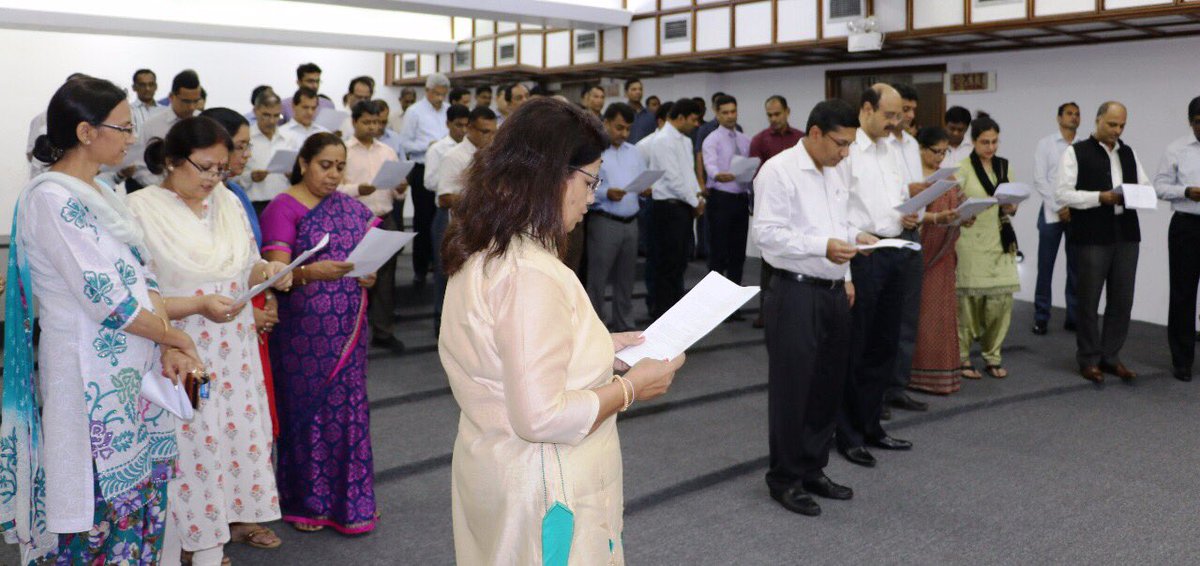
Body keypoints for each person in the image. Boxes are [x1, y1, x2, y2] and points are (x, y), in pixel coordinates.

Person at [438, 96, 684, 564]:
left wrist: (604, 346)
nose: (591, 198)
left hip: (496, 462)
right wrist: (630, 387)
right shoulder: (530, 272)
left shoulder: (485, 244)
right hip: (547, 485)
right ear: (550, 178)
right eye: (589, 182)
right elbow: (542, 417)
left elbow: (509, 349)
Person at [4, 75, 202, 565]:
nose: (132, 137)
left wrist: (169, 343)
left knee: (139, 513)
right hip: (87, 375)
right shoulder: (51, 199)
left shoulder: (106, 192)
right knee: (97, 516)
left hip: (134, 372)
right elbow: (107, 300)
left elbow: (144, 274)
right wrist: (174, 333)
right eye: (122, 126)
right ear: (86, 132)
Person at [129, 116, 290, 565]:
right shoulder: (140, 209)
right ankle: (180, 550)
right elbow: (139, 297)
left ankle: (210, 550)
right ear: (172, 161)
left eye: (222, 169)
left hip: (235, 350)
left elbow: (248, 264)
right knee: (188, 456)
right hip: (180, 349)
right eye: (205, 168)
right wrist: (198, 306)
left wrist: (270, 274)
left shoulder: (228, 201)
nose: (214, 179)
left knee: (228, 451)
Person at [754, 99, 870, 516]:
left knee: (826, 385)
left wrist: (857, 247)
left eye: (850, 145)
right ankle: (784, 478)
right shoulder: (779, 171)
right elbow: (767, 237)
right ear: (815, 133)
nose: (845, 153)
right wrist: (823, 247)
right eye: (840, 143)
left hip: (834, 289)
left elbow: (836, 226)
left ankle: (813, 467)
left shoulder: (836, 171)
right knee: (793, 390)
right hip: (795, 292)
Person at [260, 133, 381, 534]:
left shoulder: (349, 207)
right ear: (303, 163)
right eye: (324, 165)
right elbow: (275, 276)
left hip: (348, 328)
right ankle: (306, 502)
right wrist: (313, 272)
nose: (333, 175)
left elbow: (365, 256)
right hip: (301, 333)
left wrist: (369, 273)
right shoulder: (283, 207)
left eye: (340, 167)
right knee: (305, 413)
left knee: (347, 412)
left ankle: (349, 503)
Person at [836, 84, 921, 468]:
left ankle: (872, 426)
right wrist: (856, 233)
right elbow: (835, 205)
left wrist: (907, 215)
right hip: (863, 254)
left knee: (886, 344)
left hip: (896, 247)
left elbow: (895, 198)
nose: (896, 122)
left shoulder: (892, 149)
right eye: (889, 115)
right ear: (866, 109)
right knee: (858, 348)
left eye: (899, 115)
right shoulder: (847, 150)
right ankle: (849, 434)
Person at [203, 107, 284, 443]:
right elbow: (208, 276)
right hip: (218, 321)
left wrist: (271, 287)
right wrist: (250, 309)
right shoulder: (201, 201)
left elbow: (252, 257)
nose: (247, 155)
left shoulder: (235, 196)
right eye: (241, 146)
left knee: (247, 420)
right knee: (214, 421)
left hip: (250, 311)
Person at [1055, 101, 1149, 384]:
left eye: (1121, 125)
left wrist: (1140, 194)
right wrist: (1099, 197)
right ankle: (1088, 358)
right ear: (1097, 121)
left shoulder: (1128, 153)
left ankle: (1110, 356)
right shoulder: (1076, 152)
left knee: (1122, 299)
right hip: (1092, 234)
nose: (1117, 130)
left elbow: (1144, 186)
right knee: (1089, 299)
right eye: (1112, 124)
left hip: (1127, 233)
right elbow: (1062, 194)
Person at [955, 113, 1020, 380]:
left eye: (994, 142)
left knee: (1001, 302)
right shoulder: (962, 168)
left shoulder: (1005, 166)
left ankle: (993, 355)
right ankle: (962, 358)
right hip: (971, 240)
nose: (990, 148)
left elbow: (1013, 204)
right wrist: (963, 212)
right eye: (984, 142)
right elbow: (954, 206)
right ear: (973, 142)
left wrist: (1011, 206)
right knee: (969, 303)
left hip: (1000, 239)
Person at [339, 100, 407, 353]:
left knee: (386, 279)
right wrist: (358, 189)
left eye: (377, 122)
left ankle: (383, 331)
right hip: (353, 221)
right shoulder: (343, 150)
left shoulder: (387, 151)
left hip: (384, 217)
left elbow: (396, 191)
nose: (373, 127)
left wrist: (400, 189)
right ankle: (350, 333)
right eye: (367, 122)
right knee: (352, 278)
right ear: (354, 121)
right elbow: (332, 189)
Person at [908, 127, 968, 393]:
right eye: (936, 151)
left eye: (946, 152)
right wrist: (935, 218)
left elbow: (961, 206)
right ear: (921, 148)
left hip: (943, 256)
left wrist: (967, 214)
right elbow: (907, 215)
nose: (941, 157)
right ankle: (915, 375)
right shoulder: (912, 178)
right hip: (920, 255)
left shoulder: (948, 178)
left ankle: (944, 374)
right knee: (921, 316)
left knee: (943, 315)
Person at [884, 83, 929, 415]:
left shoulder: (912, 143)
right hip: (886, 236)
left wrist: (920, 211)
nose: (909, 116)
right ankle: (875, 390)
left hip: (912, 232)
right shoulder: (875, 144)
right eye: (904, 111)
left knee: (907, 316)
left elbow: (918, 190)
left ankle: (897, 385)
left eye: (912, 110)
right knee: (880, 320)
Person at [432, 106, 498, 333]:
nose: (489, 137)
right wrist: (482, 196)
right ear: (469, 128)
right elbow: (443, 198)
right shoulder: (454, 156)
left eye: (493, 132)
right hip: (456, 224)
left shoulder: (494, 157)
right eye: (484, 131)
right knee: (448, 275)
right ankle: (442, 324)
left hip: (484, 225)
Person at [644, 98, 706, 319]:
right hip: (667, 208)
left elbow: (688, 174)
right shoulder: (661, 140)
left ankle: (675, 312)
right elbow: (672, 178)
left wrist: (698, 198)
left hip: (683, 207)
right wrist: (693, 200)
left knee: (680, 263)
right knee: (667, 264)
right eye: (693, 120)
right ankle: (663, 314)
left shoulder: (685, 140)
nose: (696, 124)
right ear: (680, 118)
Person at [587, 102, 646, 332]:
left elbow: (640, 179)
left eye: (628, 129)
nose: (624, 134)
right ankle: (595, 328)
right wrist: (605, 192)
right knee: (598, 280)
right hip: (604, 221)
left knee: (626, 280)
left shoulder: (634, 152)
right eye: (619, 127)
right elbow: (584, 185)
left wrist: (645, 189)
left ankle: (625, 324)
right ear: (606, 123)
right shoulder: (593, 151)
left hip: (631, 222)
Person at [1154, 95, 1200, 382]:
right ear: (1190, 122)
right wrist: (1185, 192)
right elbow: (1159, 187)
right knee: (1183, 293)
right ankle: (1182, 360)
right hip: (1186, 226)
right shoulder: (1176, 149)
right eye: (1198, 122)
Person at [748, 94, 803, 328]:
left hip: (798, 208)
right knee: (768, 263)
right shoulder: (759, 140)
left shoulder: (801, 138)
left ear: (787, 111)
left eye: (777, 114)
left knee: (794, 261)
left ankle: (792, 309)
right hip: (770, 208)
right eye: (769, 115)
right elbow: (752, 176)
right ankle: (766, 312)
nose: (773, 119)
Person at [1032, 102, 1082, 335]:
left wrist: (1071, 206)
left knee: (1076, 267)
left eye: (1077, 114)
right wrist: (1058, 205)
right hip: (1052, 212)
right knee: (1046, 267)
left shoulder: (1083, 146)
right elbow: (1040, 179)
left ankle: (1073, 317)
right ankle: (1041, 317)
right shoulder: (1046, 144)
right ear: (1059, 117)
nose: (1074, 117)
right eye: (1069, 114)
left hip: (1076, 214)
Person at [399, 73, 451, 286]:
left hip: (445, 168)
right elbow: (405, 143)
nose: (440, 98)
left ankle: (437, 264)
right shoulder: (414, 112)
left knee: (444, 220)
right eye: (436, 93)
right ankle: (420, 268)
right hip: (422, 167)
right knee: (422, 220)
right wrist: (428, 146)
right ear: (427, 91)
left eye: (443, 94)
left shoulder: (448, 110)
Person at [701, 94, 752, 290]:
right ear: (717, 114)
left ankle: (734, 302)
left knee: (738, 253)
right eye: (725, 113)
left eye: (733, 111)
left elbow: (749, 167)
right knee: (718, 253)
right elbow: (710, 165)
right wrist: (717, 175)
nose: (730, 116)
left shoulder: (745, 139)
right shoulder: (711, 139)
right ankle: (715, 301)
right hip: (721, 200)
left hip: (741, 199)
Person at [131, 69, 203, 189]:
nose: (191, 107)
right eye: (186, 101)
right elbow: (140, 168)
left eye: (195, 101)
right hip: (160, 193)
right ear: (171, 97)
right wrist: (165, 188)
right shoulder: (151, 126)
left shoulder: (203, 123)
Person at [239, 91, 297, 216]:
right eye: (266, 115)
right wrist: (250, 177)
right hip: (254, 204)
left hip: (284, 202)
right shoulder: (245, 138)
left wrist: (293, 176)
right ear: (255, 111)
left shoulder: (288, 138)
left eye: (276, 116)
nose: (271, 121)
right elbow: (232, 176)